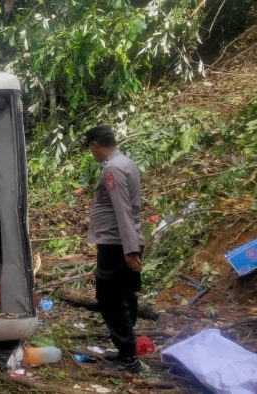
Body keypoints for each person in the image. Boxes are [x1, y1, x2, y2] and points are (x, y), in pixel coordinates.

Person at [84, 125, 145, 373]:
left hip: (116, 243)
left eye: (91, 148)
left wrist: (130, 250)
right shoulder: (126, 162)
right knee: (126, 295)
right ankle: (126, 350)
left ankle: (128, 357)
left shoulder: (112, 169)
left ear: (96, 145)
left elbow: (122, 210)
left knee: (109, 299)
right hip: (125, 241)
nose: (92, 153)